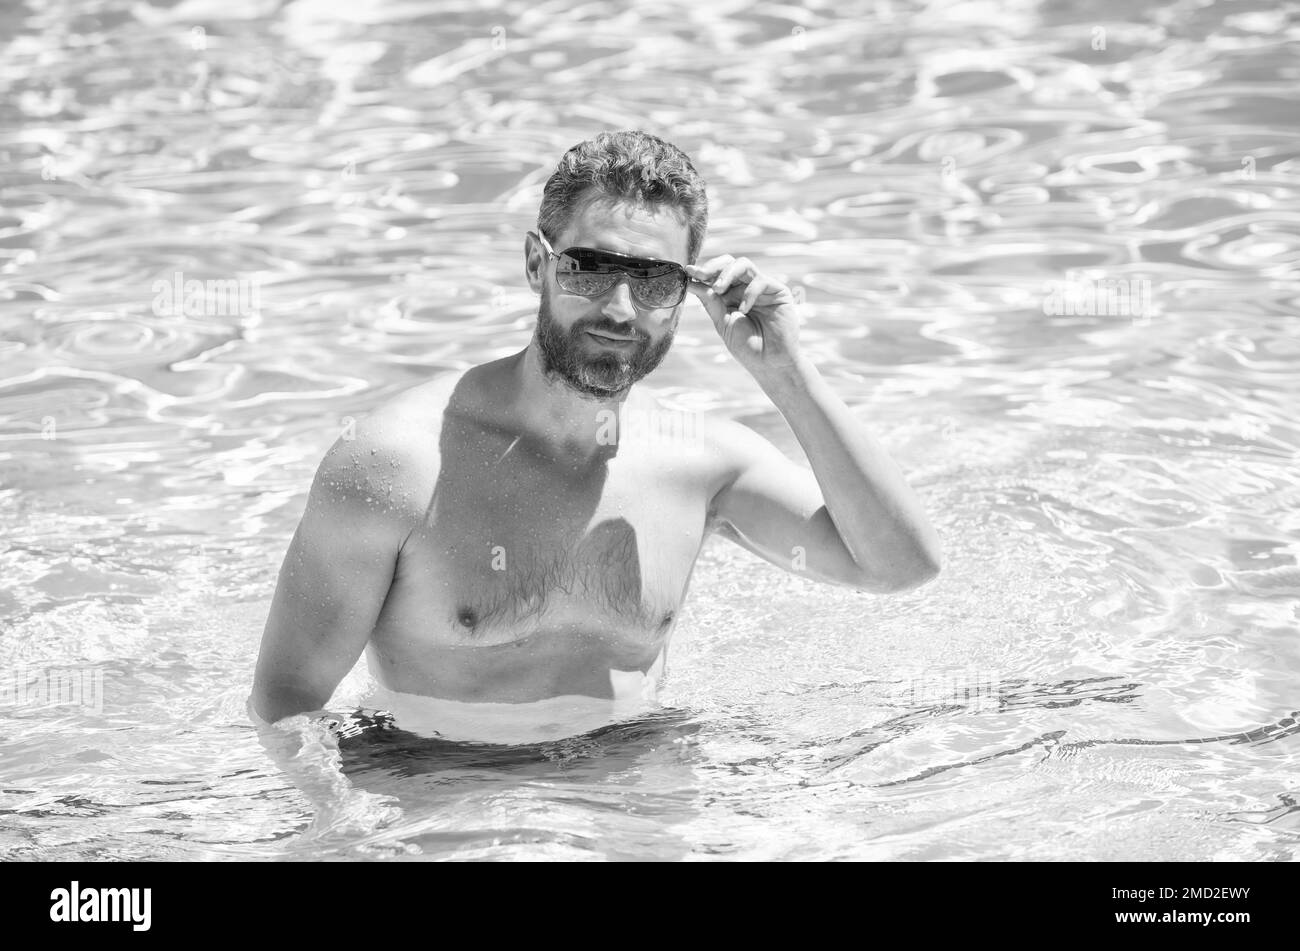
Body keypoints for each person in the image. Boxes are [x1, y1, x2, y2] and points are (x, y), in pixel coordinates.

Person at [249, 129, 942, 737]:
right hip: (449, 798)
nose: (620, 308)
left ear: (685, 295)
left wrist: (788, 372)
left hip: (636, 793)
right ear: (536, 264)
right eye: (590, 269)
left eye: (655, 283)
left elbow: (899, 565)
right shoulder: (394, 465)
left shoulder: (700, 465)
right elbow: (285, 707)